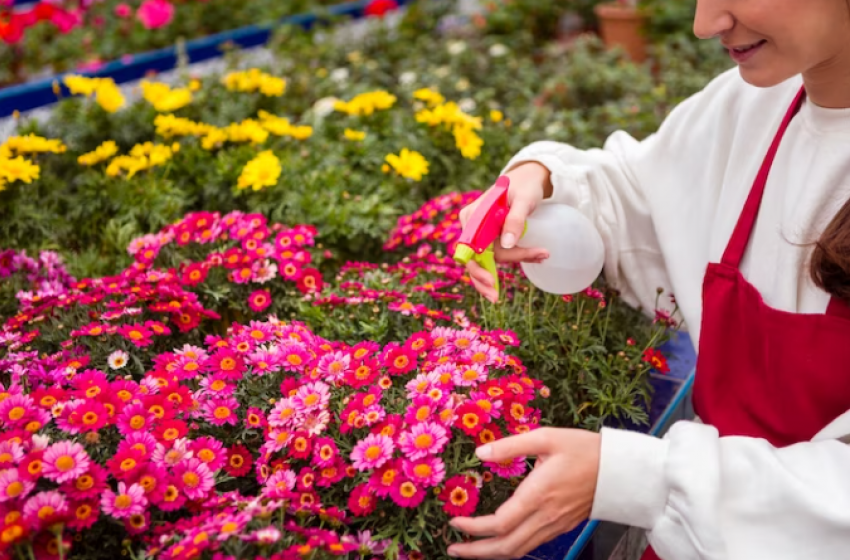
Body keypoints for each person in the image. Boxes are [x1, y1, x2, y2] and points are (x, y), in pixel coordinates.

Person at [445, 0, 850, 559]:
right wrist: (542, 182)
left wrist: (636, 477)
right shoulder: (755, 101)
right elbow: (642, 194)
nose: (705, 24)